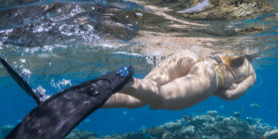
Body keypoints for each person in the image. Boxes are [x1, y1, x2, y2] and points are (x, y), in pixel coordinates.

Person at [101, 51, 256, 111]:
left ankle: (97, 95)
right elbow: (230, 96)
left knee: (136, 98)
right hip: (210, 75)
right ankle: (126, 82)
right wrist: (221, 89)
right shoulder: (251, 72)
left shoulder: (227, 46)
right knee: (159, 98)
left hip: (190, 56)